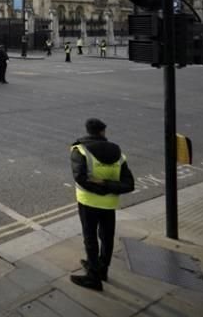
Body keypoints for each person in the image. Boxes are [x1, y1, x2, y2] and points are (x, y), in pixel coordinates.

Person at [69, 118, 135, 291]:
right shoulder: (117, 152)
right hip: (109, 204)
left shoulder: (80, 150)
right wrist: (107, 186)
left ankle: (93, 277)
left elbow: (80, 177)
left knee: (90, 237)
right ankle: (101, 269)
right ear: (103, 132)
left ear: (88, 131)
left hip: (88, 201)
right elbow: (129, 184)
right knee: (106, 237)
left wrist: (99, 187)